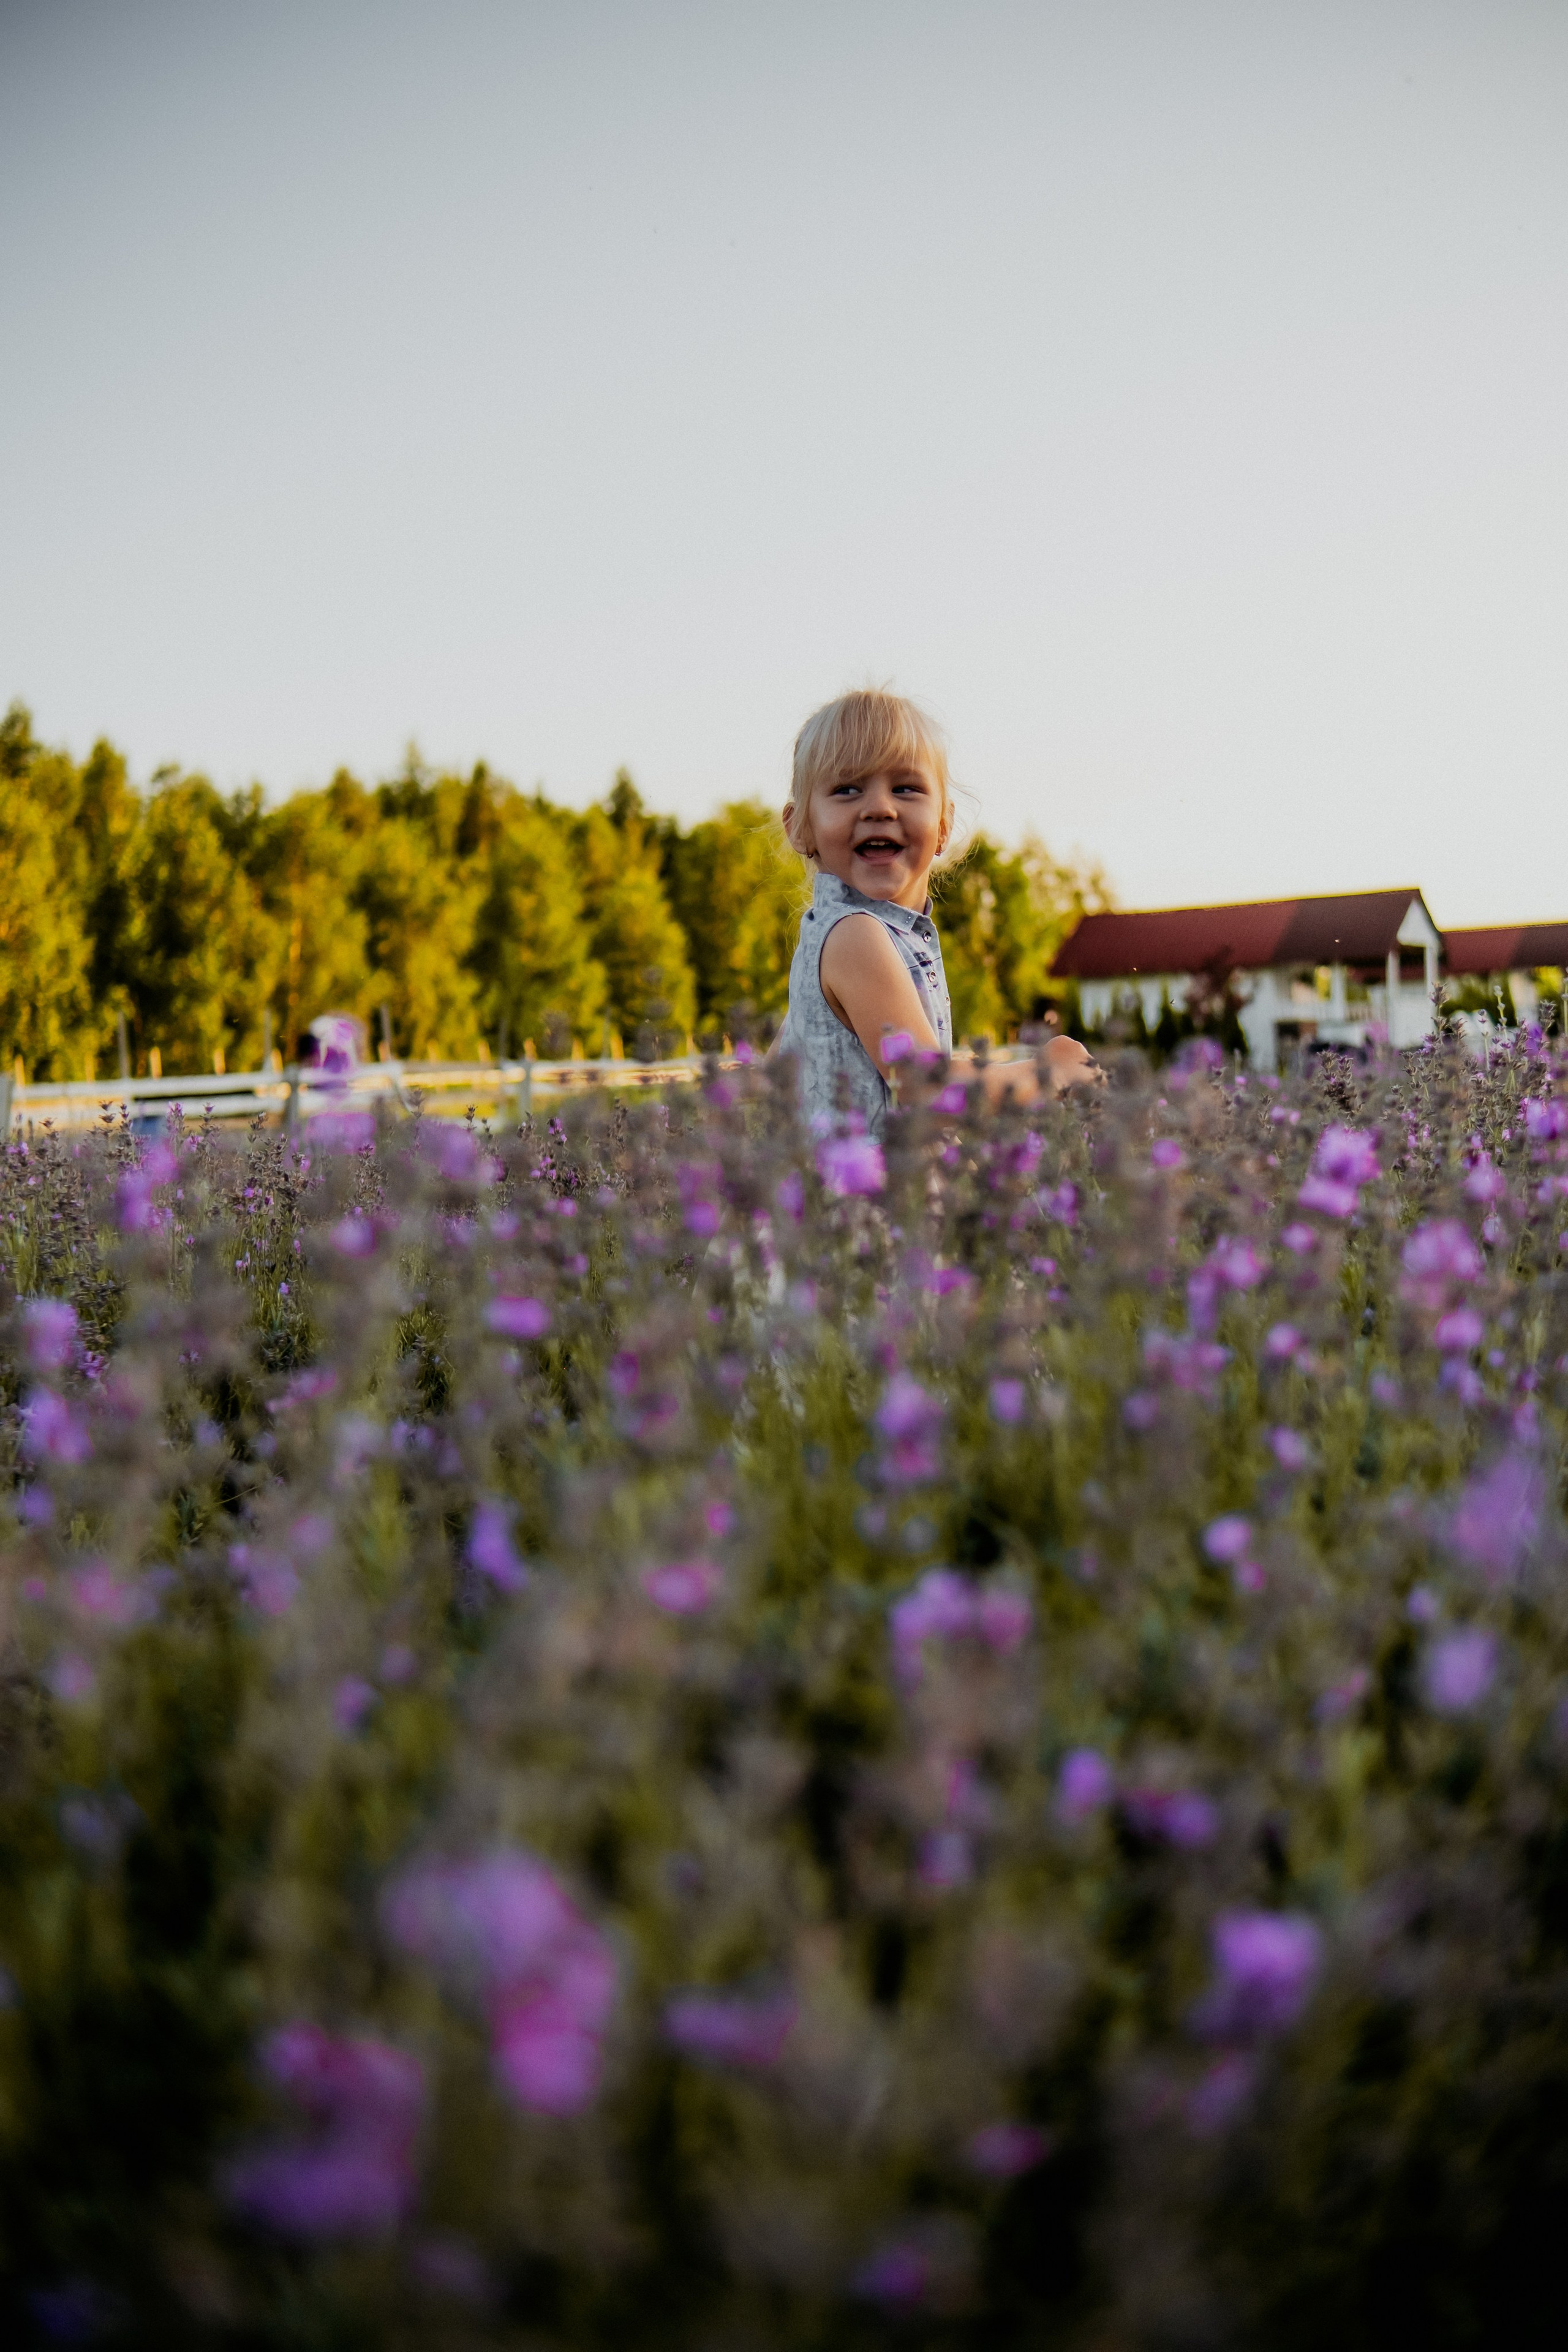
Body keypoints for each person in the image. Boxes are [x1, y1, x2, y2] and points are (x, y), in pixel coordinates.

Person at [771, 689, 1099, 1136]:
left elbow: (781, 1066)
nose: (879, 808)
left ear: (943, 825)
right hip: (867, 1182)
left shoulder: (836, 934)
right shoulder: (855, 937)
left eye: (905, 788)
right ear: (799, 827)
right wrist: (1050, 1073)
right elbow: (928, 1088)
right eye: (847, 790)